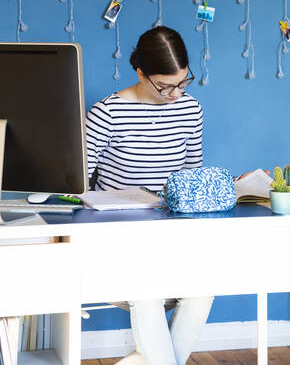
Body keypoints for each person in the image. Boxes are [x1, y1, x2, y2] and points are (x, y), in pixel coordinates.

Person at [86, 26, 214, 365]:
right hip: (116, 240)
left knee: (203, 290)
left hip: (170, 239)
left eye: (183, 83)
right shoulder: (107, 114)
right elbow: (76, 189)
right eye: (165, 86)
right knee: (148, 292)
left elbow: (190, 179)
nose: (175, 94)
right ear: (140, 73)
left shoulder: (190, 110)